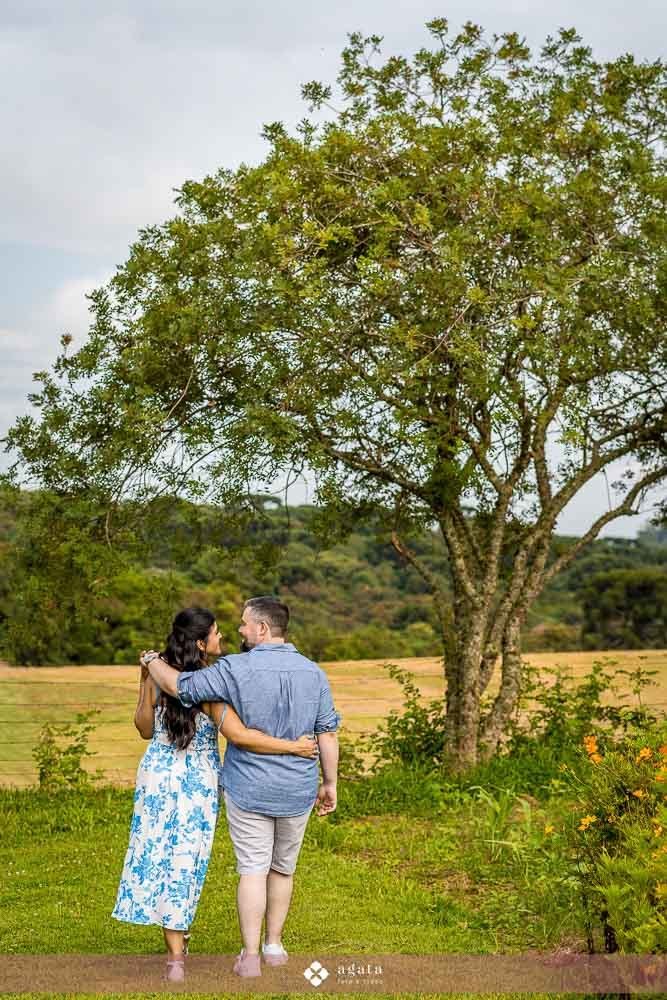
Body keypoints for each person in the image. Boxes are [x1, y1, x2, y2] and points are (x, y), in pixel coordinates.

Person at [112, 606, 319, 983]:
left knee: (158, 855)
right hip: (196, 781)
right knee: (185, 862)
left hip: (157, 776)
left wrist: (148, 675)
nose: (223, 636)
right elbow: (238, 735)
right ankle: (181, 954)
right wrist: (294, 747)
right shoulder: (213, 685)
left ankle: (176, 957)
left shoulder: (165, 674)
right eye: (217, 632)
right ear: (200, 642)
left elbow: (144, 729)